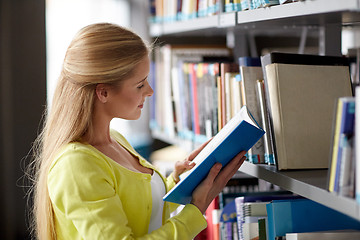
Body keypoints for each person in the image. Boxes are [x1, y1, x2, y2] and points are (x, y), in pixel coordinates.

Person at [29, 23, 247, 240]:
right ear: (103, 92)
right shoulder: (75, 165)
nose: (150, 91)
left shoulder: (115, 140)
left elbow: (139, 211)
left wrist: (179, 182)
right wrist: (195, 209)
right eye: (140, 85)